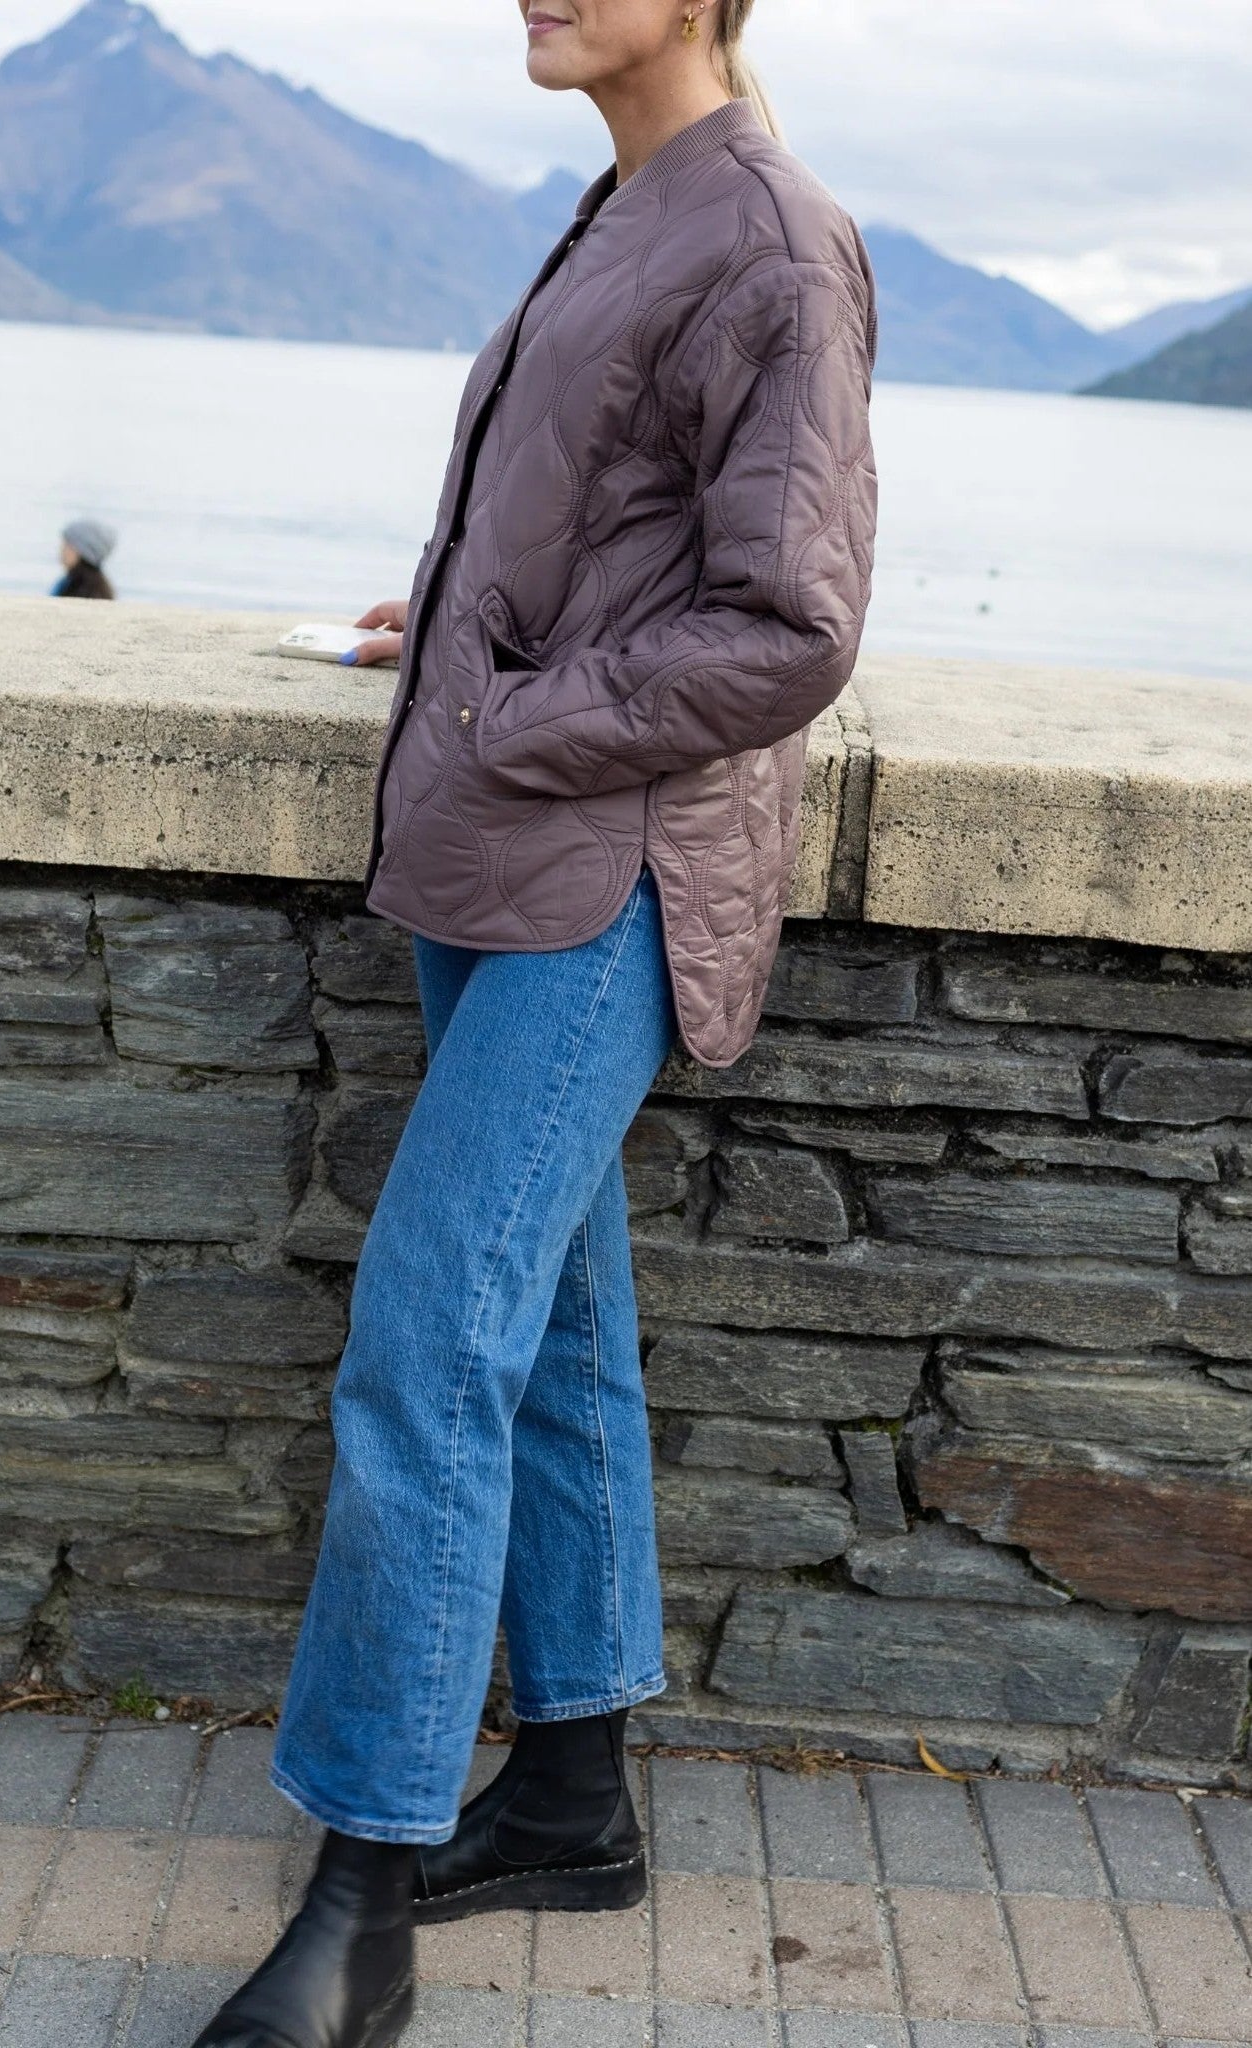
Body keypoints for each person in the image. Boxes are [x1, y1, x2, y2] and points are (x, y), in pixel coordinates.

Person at [194, 0, 876, 2041]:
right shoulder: (626, 200)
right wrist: (455, 622)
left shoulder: (770, 233)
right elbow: (619, 525)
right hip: (509, 853)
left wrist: (506, 710)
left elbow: (789, 622)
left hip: (606, 879)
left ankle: (363, 1895)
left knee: (425, 1350)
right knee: (552, 1336)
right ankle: (572, 1798)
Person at [52, 518, 117, 599]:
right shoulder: (69, 581)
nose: (62, 550)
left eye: (67, 544)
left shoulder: (85, 590)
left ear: (81, 551)